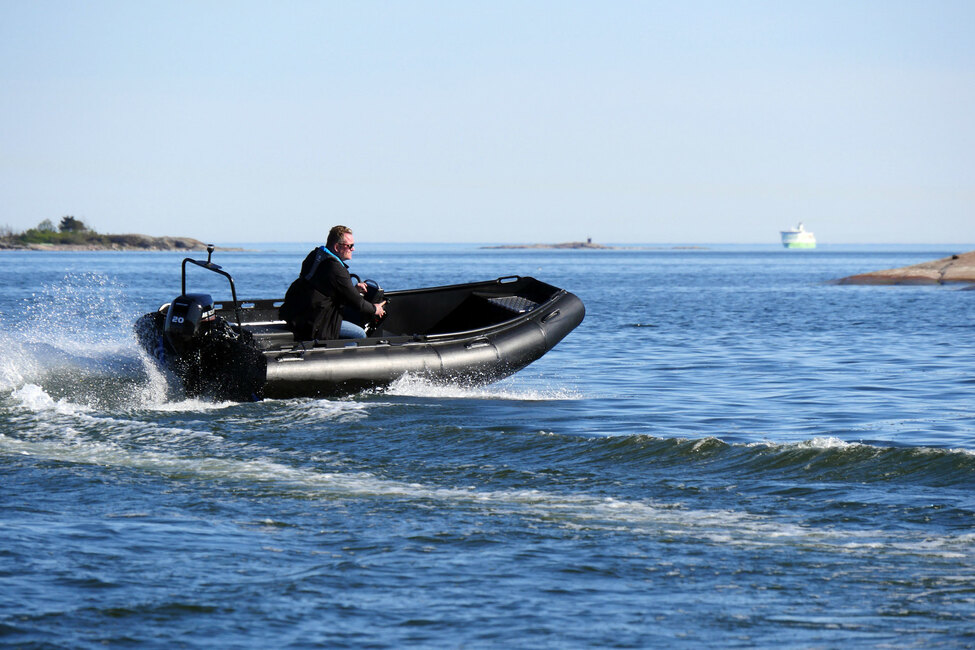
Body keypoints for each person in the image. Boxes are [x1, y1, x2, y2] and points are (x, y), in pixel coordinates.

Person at [279, 225, 386, 341]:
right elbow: (358, 303)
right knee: (360, 334)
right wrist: (375, 309)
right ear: (337, 247)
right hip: (317, 324)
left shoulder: (315, 256)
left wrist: (353, 290)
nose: (353, 249)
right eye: (350, 246)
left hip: (301, 316)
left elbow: (326, 288)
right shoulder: (336, 269)